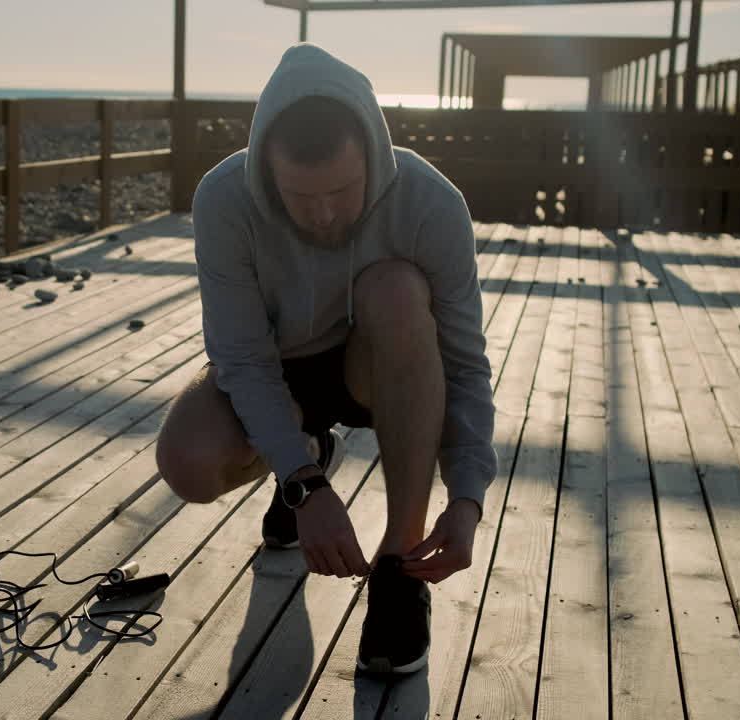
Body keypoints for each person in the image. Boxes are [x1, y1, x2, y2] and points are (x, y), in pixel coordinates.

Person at [155, 43, 496, 676]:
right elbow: (241, 359)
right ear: (266, 170)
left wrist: (468, 496)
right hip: (278, 369)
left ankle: (401, 566)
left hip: (379, 365)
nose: (323, 214)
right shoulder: (224, 200)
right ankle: (308, 451)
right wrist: (302, 482)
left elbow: (466, 365)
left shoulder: (431, 203)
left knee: (393, 287)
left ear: (373, 151)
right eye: (298, 195)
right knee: (188, 465)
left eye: (341, 190)